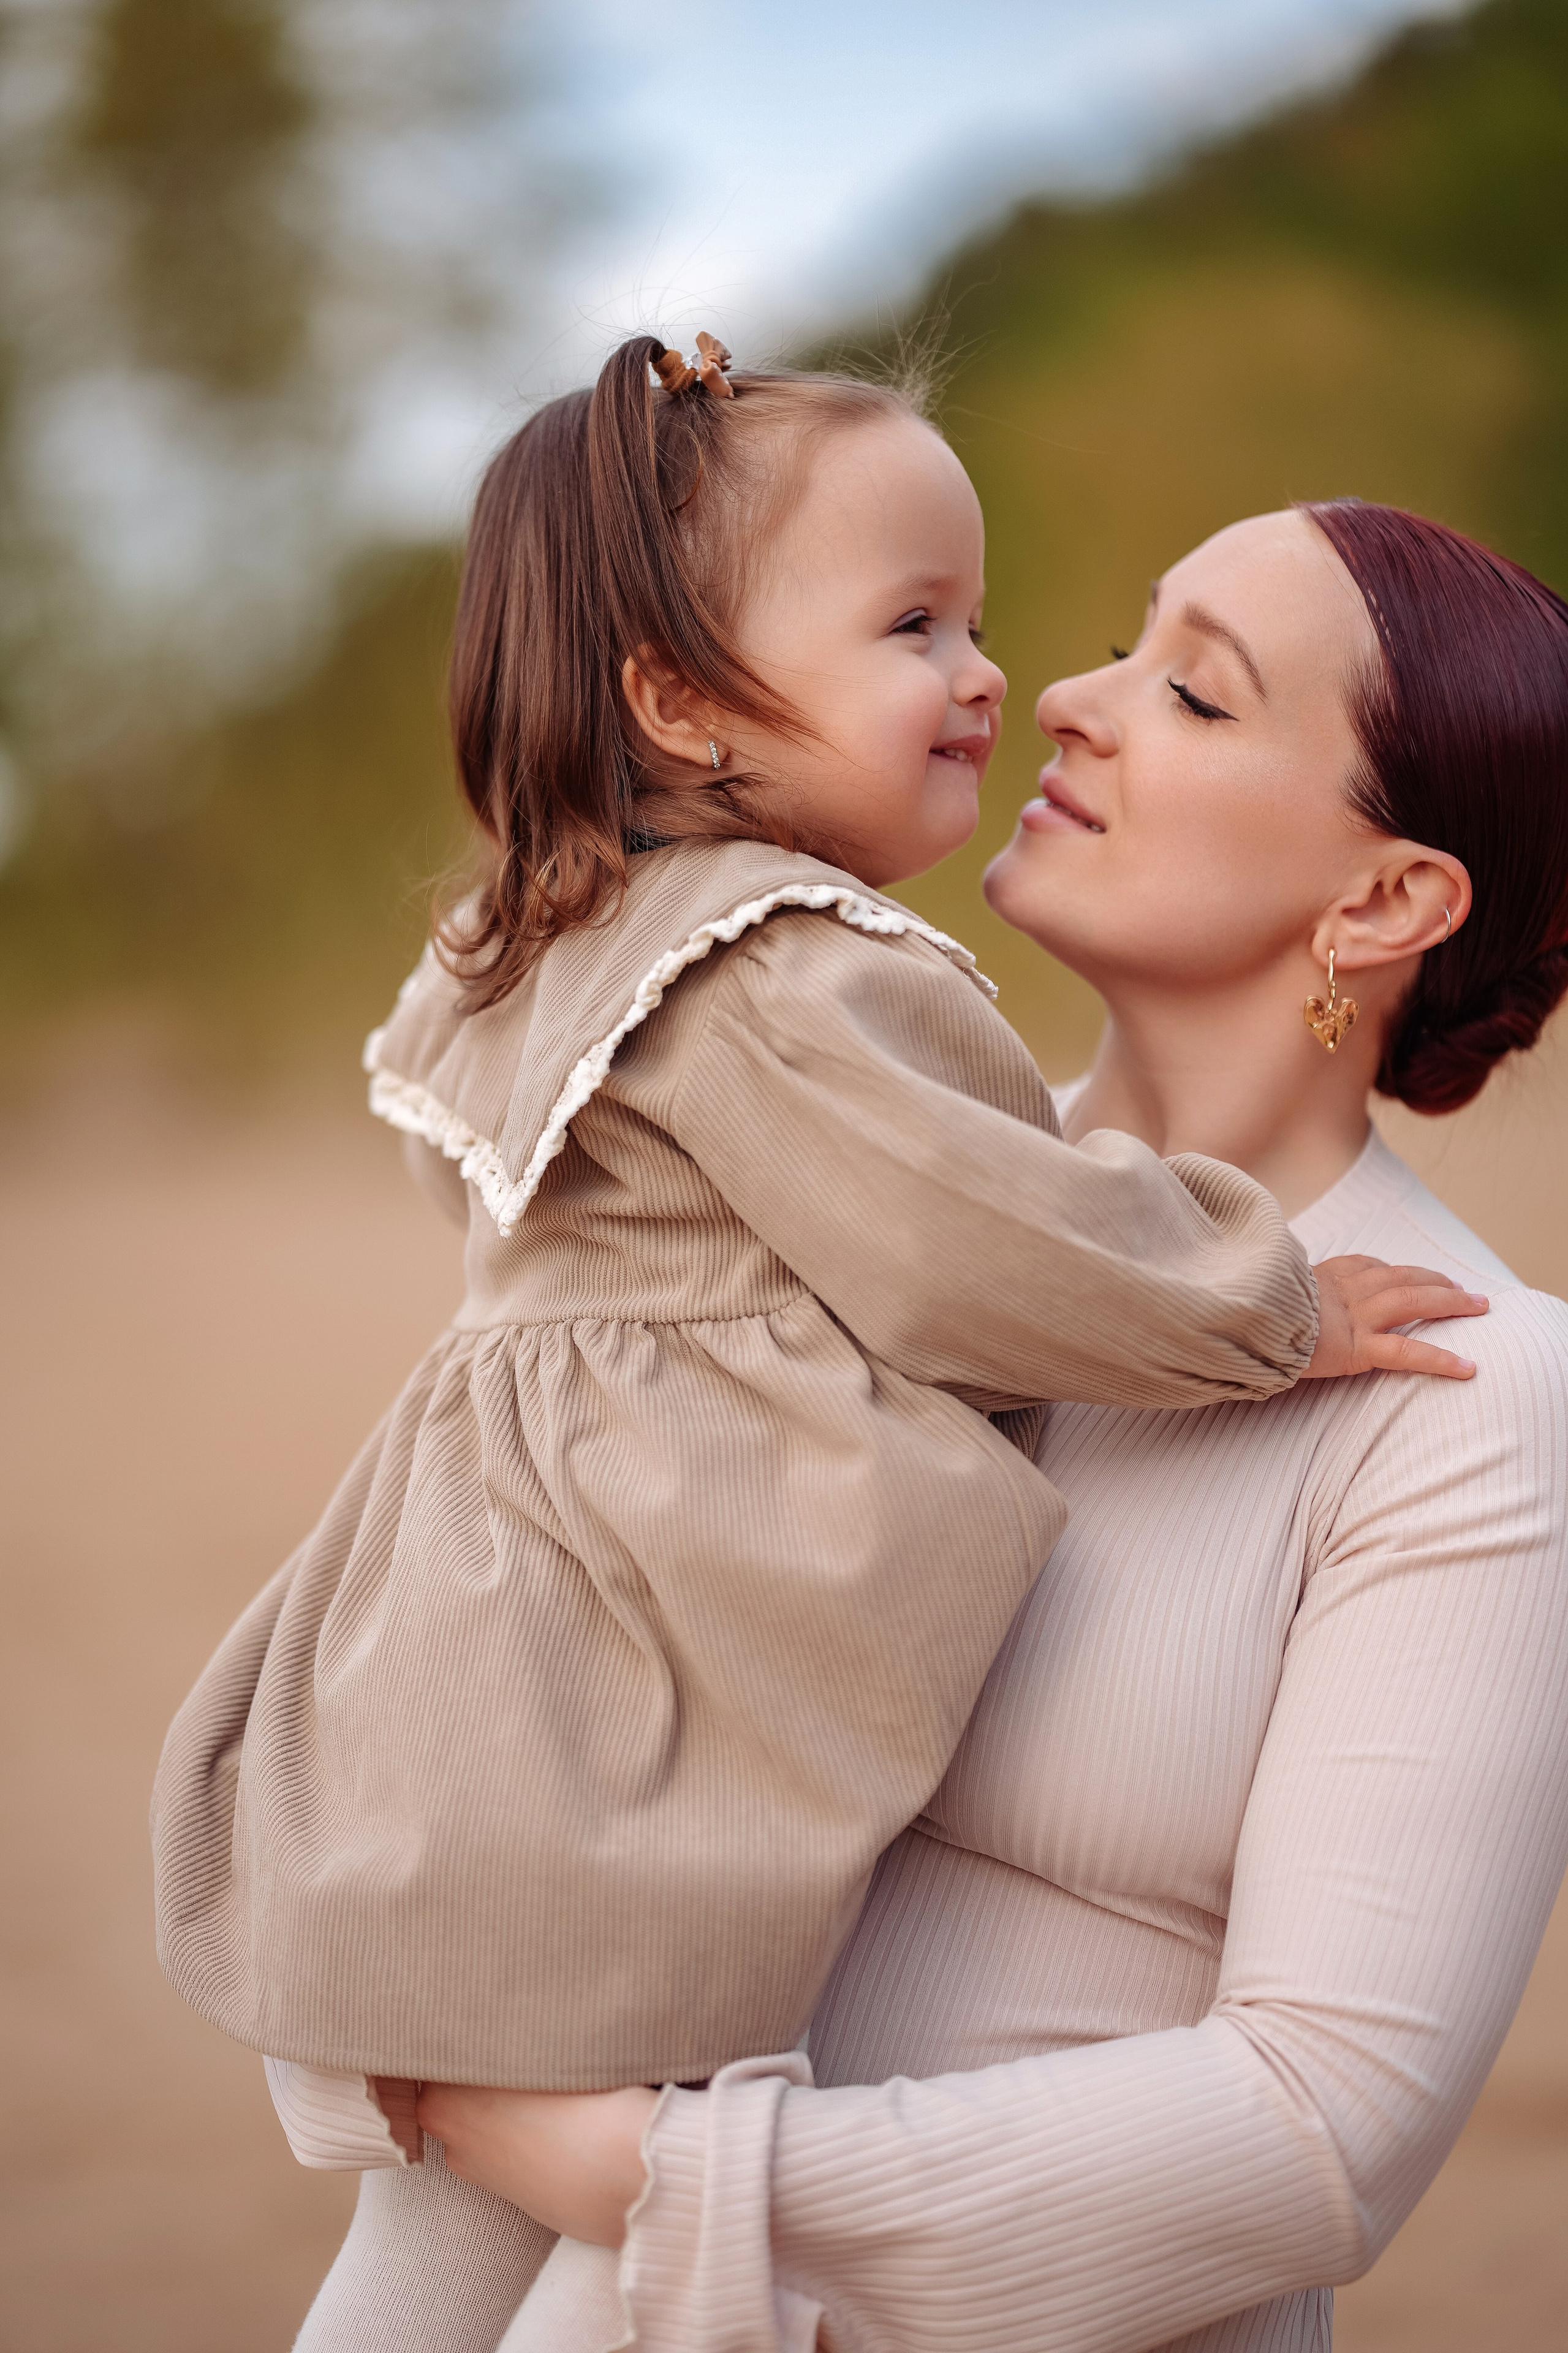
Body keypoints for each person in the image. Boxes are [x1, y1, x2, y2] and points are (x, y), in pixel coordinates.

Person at [150, 340, 1455, 2353]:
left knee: (435, 2243)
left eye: (975, 619)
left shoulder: (571, 929)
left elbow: (492, 1179)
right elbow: (973, 1237)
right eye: (914, 626)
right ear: (678, 702)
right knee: (620, 2169)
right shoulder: (787, 966)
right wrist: (1267, 1299)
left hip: (481, 1645)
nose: (991, 677)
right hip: (634, 1709)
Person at [422, 499, 1568, 2353]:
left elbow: (1318, 2130)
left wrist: (658, 2179)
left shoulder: (1471, 1393)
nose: (1063, 701)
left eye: (1197, 695)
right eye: (1127, 643)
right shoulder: (834, 1207)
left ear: (1381, 904)